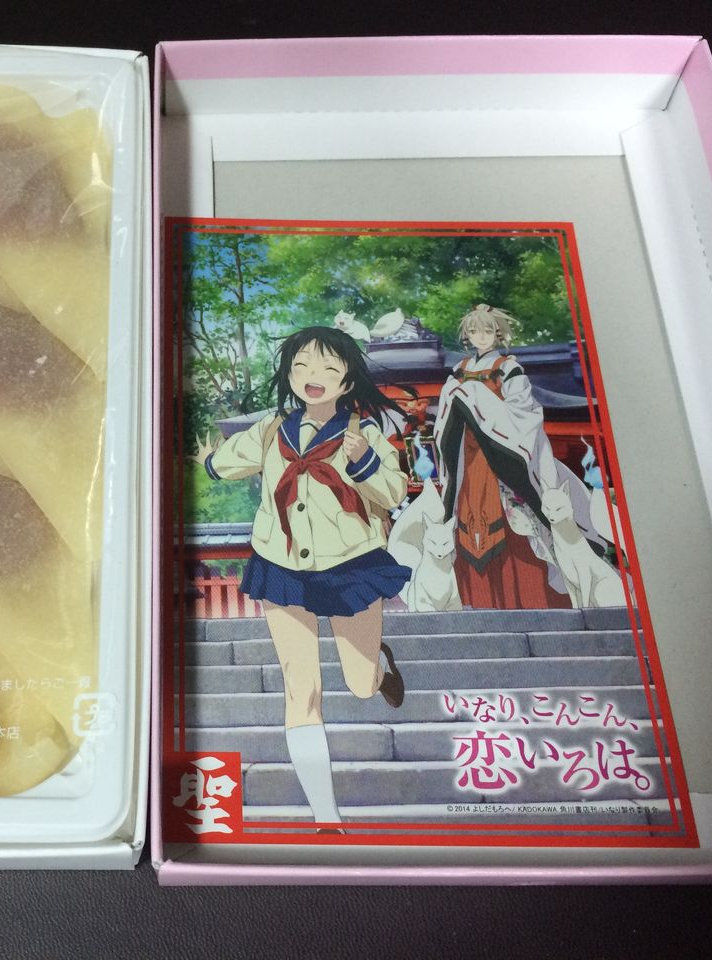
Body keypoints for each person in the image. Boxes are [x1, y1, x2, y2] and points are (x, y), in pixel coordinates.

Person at [193, 325, 410, 830]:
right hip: (281, 564)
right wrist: (207, 460)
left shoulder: (364, 433)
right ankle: (326, 815)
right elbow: (224, 463)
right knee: (301, 688)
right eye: (302, 366)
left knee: (359, 685)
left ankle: (379, 668)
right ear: (289, 374)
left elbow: (394, 492)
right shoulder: (270, 430)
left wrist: (361, 459)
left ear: (347, 380)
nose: (314, 376)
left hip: (351, 565)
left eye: (329, 367)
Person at [433, 304, 596, 609]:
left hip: (502, 458)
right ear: (467, 335)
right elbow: (445, 415)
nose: (481, 336)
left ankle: (530, 602)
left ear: (498, 333)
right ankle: (478, 604)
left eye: (487, 330)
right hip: (468, 462)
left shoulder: (509, 369)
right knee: (465, 523)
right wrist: (461, 400)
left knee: (516, 526)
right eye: (474, 331)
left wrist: (476, 401)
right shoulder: (459, 370)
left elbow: (523, 414)